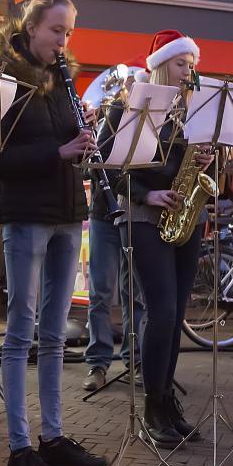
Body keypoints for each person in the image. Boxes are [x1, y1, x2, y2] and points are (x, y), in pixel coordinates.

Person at [0, 0, 108, 466]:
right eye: (56, 31)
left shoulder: (63, 80)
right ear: (31, 27)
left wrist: (84, 133)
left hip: (67, 213)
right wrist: (59, 151)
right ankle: (19, 448)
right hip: (26, 215)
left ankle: (53, 437)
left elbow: (69, 149)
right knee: (21, 332)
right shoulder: (2, 77)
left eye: (69, 32)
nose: (63, 41)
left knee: (54, 334)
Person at [102, 30, 212, 445]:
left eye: (192, 64)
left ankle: (167, 404)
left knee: (176, 314)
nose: (189, 71)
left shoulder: (195, 109)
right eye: (182, 63)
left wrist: (209, 159)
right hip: (143, 214)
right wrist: (147, 194)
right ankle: (151, 409)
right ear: (162, 64)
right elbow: (105, 163)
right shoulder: (129, 103)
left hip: (186, 215)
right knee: (161, 311)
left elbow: (206, 166)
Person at [82, 66, 145, 392]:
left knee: (134, 293)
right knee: (101, 293)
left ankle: (136, 360)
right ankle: (98, 363)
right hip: (105, 214)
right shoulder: (114, 114)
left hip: (134, 213)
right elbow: (96, 164)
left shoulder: (152, 120)